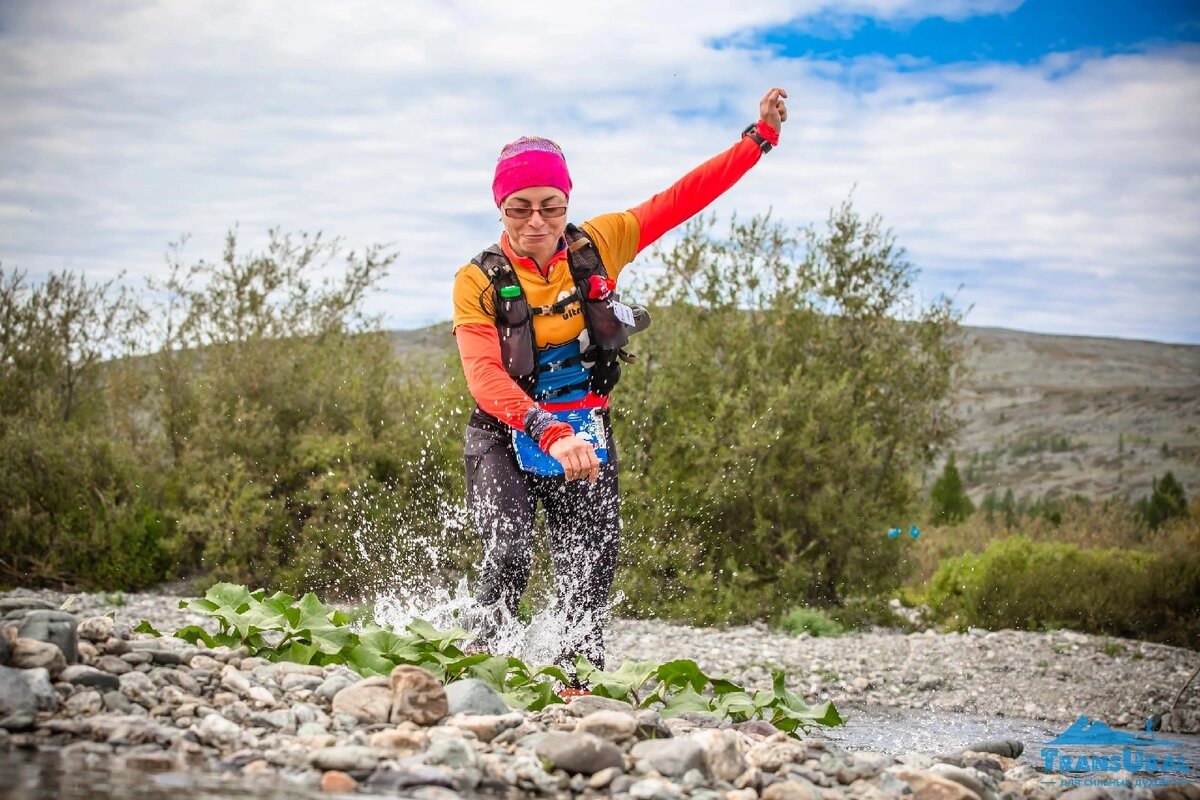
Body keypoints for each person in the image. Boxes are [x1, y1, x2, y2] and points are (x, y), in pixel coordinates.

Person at [451, 88, 789, 687]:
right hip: (505, 431)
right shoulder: (476, 281)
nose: (536, 222)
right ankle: (482, 673)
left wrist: (757, 140)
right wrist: (547, 431)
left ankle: (577, 682)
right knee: (509, 551)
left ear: (567, 202)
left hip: (584, 426)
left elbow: (681, 199)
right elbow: (484, 377)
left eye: (551, 207)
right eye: (519, 209)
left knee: (592, 566)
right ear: (500, 208)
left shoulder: (599, 244)